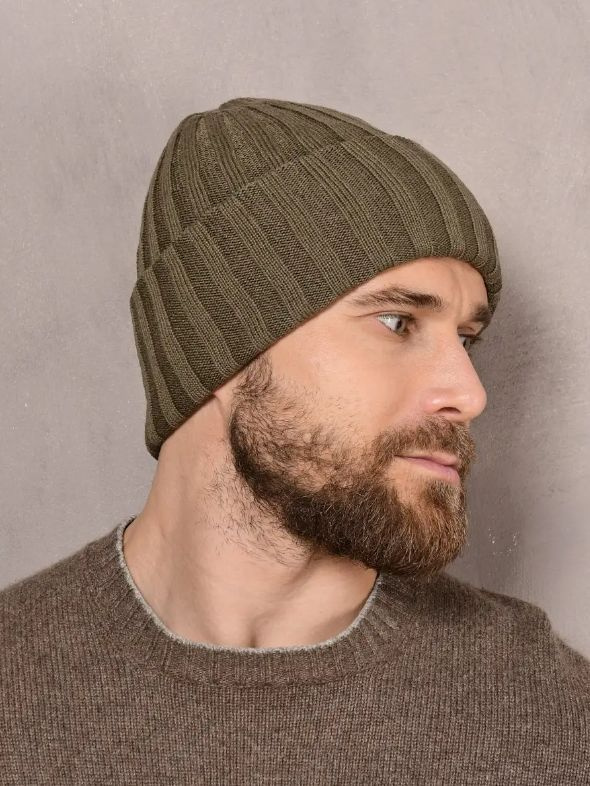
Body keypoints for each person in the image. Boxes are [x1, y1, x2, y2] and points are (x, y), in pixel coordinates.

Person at [1, 97, 588, 784]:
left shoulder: (550, 717)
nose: (470, 393)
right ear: (222, 351)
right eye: (397, 323)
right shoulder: (17, 687)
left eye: (466, 338)